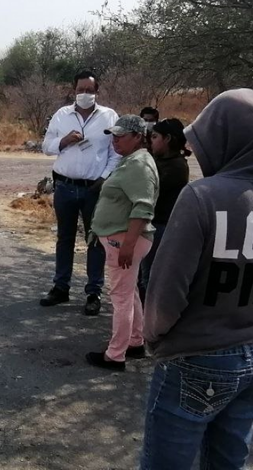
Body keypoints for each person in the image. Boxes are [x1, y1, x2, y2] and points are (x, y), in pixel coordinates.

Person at [140, 89, 253, 470]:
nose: (199, 151)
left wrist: (153, 337)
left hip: (196, 356)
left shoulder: (202, 196)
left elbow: (167, 290)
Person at [39, 69, 120, 315]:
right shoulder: (62, 115)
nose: (84, 94)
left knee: (94, 240)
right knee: (64, 238)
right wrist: (63, 141)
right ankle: (60, 287)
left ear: (97, 91)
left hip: (94, 188)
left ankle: (93, 292)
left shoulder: (109, 116)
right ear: (73, 91)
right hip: (64, 186)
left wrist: (104, 177)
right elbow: (46, 147)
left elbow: (115, 152)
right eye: (80, 90)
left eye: (89, 90)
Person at [85, 115, 158, 371]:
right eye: (113, 136)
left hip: (124, 240)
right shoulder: (132, 161)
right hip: (122, 238)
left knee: (121, 297)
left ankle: (115, 355)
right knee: (130, 293)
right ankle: (135, 342)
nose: (115, 141)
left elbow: (143, 206)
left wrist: (127, 244)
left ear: (138, 137)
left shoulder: (139, 164)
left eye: (121, 136)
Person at [138, 118, 191, 303]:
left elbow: (146, 189)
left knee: (150, 278)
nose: (150, 141)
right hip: (149, 224)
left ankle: (149, 323)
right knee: (141, 278)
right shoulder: (158, 160)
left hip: (161, 226)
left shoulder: (177, 166)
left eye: (154, 137)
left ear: (167, 139)